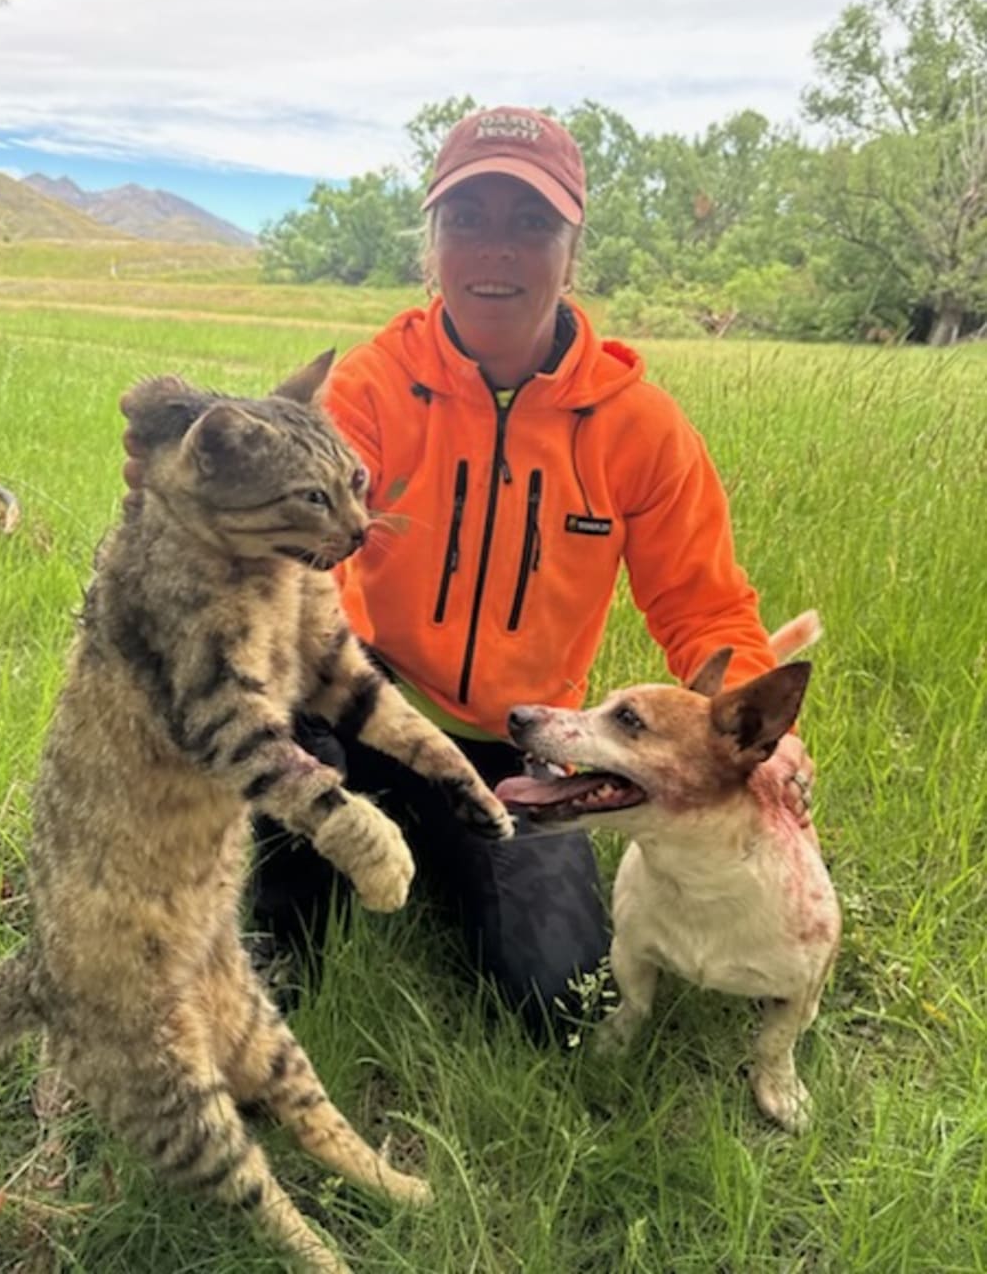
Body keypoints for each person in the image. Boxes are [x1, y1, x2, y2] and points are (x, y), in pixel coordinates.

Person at [123, 106, 814, 1039]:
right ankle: (301, 893)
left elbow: (704, 605)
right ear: (433, 244)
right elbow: (285, 528)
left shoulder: (638, 426)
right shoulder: (369, 386)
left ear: (572, 251)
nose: (498, 249)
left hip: (519, 748)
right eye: (468, 219)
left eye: (532, 223)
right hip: (367, 708)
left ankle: (451, 855)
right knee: (276, 782)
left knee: (562, 1004)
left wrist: (752, 728)